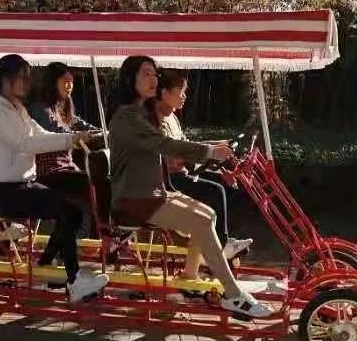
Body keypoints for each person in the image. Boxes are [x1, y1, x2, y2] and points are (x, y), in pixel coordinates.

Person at [107, 56, 271, 319]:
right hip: (135, 200)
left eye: (154, 74)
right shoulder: (127, 117)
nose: (153, 79)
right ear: (130, 79)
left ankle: (189, 277)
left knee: (209, 214)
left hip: (155, 192)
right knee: (201, 221)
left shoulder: (143, 113)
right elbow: (166, 145)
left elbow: (172, 144)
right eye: (146, 74)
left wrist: (213, 151)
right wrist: (209, 152)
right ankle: (233, 294)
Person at [0, 54, 109, 302]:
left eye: (28, 77)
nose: (28, 83)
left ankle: (47, 265)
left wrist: (74, 137)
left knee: (72, 212)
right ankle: (73, 280)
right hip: (1, 191)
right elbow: (24, 143)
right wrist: (70, 139)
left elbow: (41, 133)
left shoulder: (16, 108)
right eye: (22, 77)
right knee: (68, 212)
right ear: (6, 79)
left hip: (21, 184)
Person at [152, 69, 253, 260]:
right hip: (166, 182)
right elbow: (174, 155)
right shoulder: (155, 120)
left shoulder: (172, 117)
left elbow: (187, 144)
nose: (184, 96)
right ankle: (221, 246)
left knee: (224, 186)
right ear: (165, 93)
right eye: (181, 91)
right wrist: (211, 152)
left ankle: (219, 241)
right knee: (216, 191)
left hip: (179, 174)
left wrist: (219, 144)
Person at [28, 62, 98, 191]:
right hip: (48, 170)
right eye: (66, 81)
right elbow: (57, 131)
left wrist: (100, 132)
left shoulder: (64, 109)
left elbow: (82, 124)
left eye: (71, 82)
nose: (70, 86)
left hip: (65, 166)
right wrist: (79, 136)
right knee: (90, 181)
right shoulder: (40, 108)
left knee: (97, 177)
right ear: (53, 83)